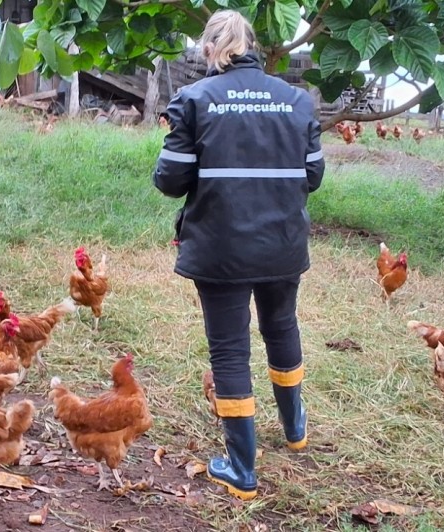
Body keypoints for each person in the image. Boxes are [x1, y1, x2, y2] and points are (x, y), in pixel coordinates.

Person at [152, 10, 325, 501]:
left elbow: (169, 181)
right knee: (281, 327)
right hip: (283, 245)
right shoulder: (296, 100)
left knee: (230, 349)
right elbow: (312, 177)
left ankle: (242, 470)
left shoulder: (195, 100)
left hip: (221, 248)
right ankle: (295, 430)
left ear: (210, 50)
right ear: (250, 45)